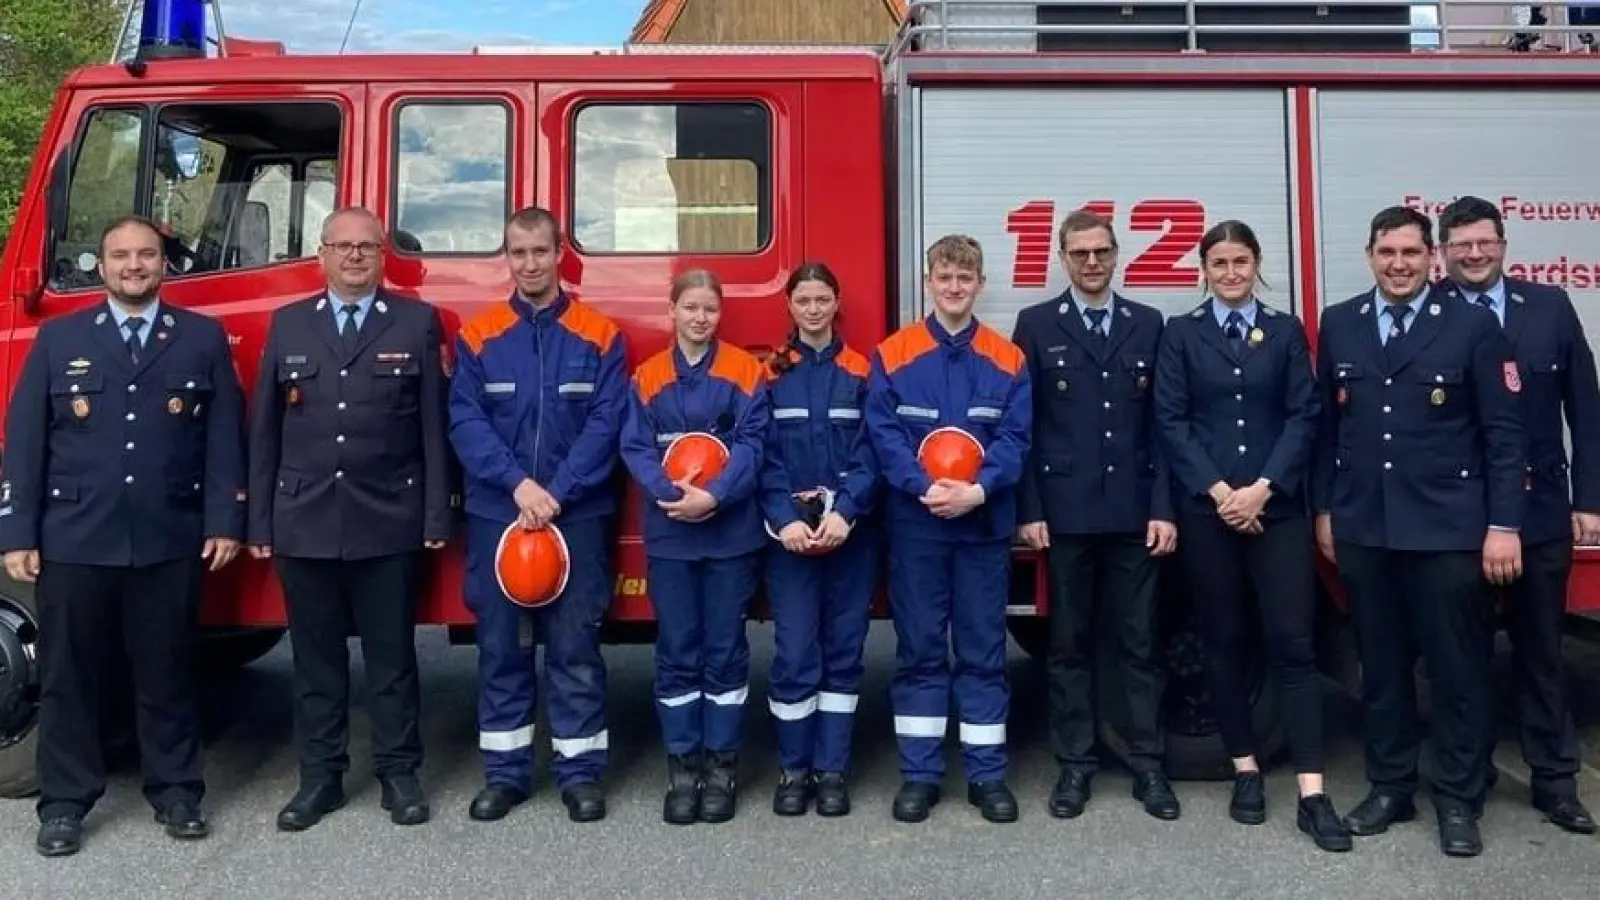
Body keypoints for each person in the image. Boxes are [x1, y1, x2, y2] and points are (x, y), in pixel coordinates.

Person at [0, 215, 245, 857]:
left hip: (168, 536)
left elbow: (225, 436)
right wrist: (17, 531)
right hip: (75, 537)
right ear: (101, 265)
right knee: (70, 677)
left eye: (146, 255)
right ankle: (64, 804)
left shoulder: (200, 338)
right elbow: (24, 442)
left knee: (168, 671)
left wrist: (225, 519)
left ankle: (177, 792)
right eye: (120, 256)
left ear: (164, 263)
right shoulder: (59, 339)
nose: (134, 265)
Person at [1311, 205, 1525, 858]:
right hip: (1366, 529)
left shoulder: (1472, 324)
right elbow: (1328, 430)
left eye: (1410, 253)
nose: (1398, 264)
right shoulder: (1341, 323)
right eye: (1387, 253)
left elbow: (1503, 434)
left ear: (1431, 257)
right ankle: (1391, 787)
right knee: (1380, 669)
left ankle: (1458, 798)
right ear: (1369, 256)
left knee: (1457, 671)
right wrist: (1326, 509)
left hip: (1447, 532)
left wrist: (1503, 525)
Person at [248, 206, 451, 831]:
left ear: (383, 255)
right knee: (316, 664)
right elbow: (265, 431)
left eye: (366, 246)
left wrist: (435, 514)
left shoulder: (415, 322)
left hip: (388, 517)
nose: (354, 256)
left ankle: (399, 774)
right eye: (342, 246)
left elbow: (433, 427)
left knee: (393, 660)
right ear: (322, 255)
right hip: (304, 519)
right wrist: (259, 523)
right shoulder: (288, 323)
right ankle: (320, 778)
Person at [1152, 220, 1350, 851]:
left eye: (1241, 261)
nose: (1231, 273)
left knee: (1293, 645)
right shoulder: (1181, 333)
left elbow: (1304, 414)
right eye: (1219, 262)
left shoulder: (1285, 331)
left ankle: (1313, 793)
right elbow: (1171, 420)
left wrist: (1263, 488)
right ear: (1204, 269)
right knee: (1223, 643)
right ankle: (1245, 771)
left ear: (1257, 264)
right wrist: (1220, 494)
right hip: (1208, 513)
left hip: (1276, 511)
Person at [448, 206, 628, 824]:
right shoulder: (479, 336)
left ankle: (581, 775)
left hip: (577, 514)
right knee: (502, 648)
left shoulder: (600, 335)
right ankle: (506, 775)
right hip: (500, 513)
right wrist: (519, 486)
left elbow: (607, 423)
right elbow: (465, 422)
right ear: (507, 257)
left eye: (539, 252)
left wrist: (557, 492)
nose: (529, 264)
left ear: (560, 255)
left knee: (575, 648)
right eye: (518, 253)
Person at [1435, 195, 1600, 835]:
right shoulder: (1429, 312)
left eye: (1485, 242)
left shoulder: (1549, 308)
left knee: (1541, 653)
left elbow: (1585, 407)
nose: (1474, 254)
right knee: (1464, 659)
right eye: (1462, 245)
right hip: (1459, 517)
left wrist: (1589, 498)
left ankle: (1555, 782)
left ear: (1503, 244)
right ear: (1443, 252)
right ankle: (1467, 780)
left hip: (1540, 512)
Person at [1010, 208, 1180, 823]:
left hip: (1135, 516)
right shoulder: (1035, 325)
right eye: (1079, 252)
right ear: (1062, 258)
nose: (1091, 262)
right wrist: (1029, 509)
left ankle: (1148, 765)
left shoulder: (1148, 323)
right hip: (1066, 516)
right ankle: (1075, 766)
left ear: (1116, 255)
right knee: (1069, 647)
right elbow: (1022, 427)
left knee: (1141, 645)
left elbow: (1163, 426)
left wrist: (1163, 507)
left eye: (1100, 251)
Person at [865, 234, 1031, 825]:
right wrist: (924, 487)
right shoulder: (894, 354)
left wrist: (978, 491)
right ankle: (921, 775)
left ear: (980, 284)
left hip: (983, 525)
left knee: (984, 650)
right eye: (945, 277)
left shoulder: (1007, 358)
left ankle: (987, 776)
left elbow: (1015, 437)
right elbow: (883, 433)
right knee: (920, 650)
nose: (954, 287)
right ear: (928, 283)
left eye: (965, 278)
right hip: (919, 526)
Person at [619, 268, 770, 825]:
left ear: (719, 314)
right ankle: (683, 769)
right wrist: (669, 494)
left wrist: (715, 496)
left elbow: (754, 443)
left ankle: (722, 767)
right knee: (678, 650)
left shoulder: (746, 371)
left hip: (730, 535)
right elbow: (635, 447)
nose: (700, 318)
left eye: (709, 308)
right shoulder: (647, 376)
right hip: (672, 536)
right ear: (672, 311)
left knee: (725, 651)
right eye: (690, 308)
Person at [758, 262, 881, 817]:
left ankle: (832, 770)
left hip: (849, 536)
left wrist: (845, 511)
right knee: (794, 653)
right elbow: (761, 455)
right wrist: (785, 518)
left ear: (837, 303)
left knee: (843, 653)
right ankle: (794, 770)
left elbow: (874, 450)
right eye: (803, 300)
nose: (813, 309)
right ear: (789, 306)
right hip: (790, 542)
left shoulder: (863, 371)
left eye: (822, 299)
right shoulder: (770, 374)